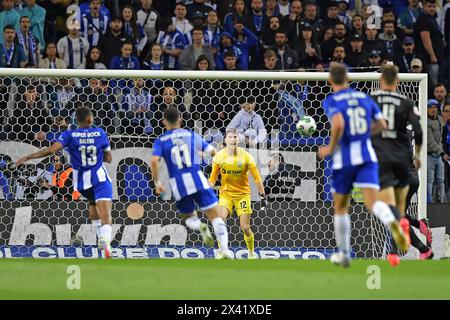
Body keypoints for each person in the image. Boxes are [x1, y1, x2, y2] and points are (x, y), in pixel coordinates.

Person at [318, 63, 409, 268]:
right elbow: (382, 125)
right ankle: (391, 221)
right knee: (373, 202)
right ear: (348, 80)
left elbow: (339, 123)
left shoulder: (332, 100)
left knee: (341, 207)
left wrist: (330, 148)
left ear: (331, 80)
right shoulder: (363, 97)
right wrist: (363, 135)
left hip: (345, 161)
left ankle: (344, 254)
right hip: (368, 157)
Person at [15, 106, 114, 258]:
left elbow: (50, 150)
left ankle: (100, 234)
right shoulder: (100, 132)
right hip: (98, 176)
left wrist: (28, 157)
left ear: (76, 121)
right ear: (90, 119)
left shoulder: (69, 134)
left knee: (93, 203)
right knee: (106, 208)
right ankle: (105, 240)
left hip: (81, 181)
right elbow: (108, 158)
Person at [150, 107, 233, 259]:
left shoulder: (161, 140)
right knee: (216, 217)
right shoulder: (191, 135)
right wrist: (200, 154)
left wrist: (157, 182)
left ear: (163, 122)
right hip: (198, 179)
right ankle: (225, 250)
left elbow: (154, 161)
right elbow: (213, 152)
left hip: (179, 184)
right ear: (180, 120)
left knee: (188, 217)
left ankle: (199, 225)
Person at [371, 64, 423, 266]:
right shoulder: (407, 102)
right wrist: (417, 155)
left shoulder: (373, 100)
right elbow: (418, 132)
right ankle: (403, 248)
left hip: (382, 162)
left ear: (381, 80)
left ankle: (394, 249)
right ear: (398, 81)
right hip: (404, 164)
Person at [208, 129, 266, 259]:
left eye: (235, 137)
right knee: (220, 220)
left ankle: (251, 253)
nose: (233, 139)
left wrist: (263, 196)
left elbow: (257, 178)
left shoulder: (246, 156)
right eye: (230, 137)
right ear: (225, 140)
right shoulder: (218, 156)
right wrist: (206, 189)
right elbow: (212, 178)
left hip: (243, 195)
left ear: (238, 140)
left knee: (245, 227)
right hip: (226, 194)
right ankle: (221, 251)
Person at [414, 0, 445, 84]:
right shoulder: (424, 19)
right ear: (424, 7)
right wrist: (432, 55)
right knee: (433, 83)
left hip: (435, 59)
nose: (432, 9)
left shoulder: (432, 19)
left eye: (434, 6)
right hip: (429, 60)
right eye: (429, 6)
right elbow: (425, 38)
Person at [427, 99, 446, 203]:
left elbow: (440, 139)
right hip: (428, 155)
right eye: (430, 107)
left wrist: (441, 151)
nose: (433, 109)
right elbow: (430, 141)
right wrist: (442, 152)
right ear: (426, 109)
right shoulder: (425, 122)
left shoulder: (439, 119)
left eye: (435, 107)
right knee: (429, 181)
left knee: (440, 180)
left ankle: (441, 202)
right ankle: (428, 203)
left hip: (438, 155)